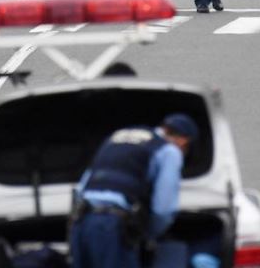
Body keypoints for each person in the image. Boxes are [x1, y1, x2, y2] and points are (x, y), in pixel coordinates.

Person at [70, 114, 199, 268]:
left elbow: (82, 187)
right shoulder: (169, 151)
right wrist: (146, 236)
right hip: (111, 227)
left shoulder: (114, 140)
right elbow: (163, 210)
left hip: (80, 223)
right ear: (184, 141)